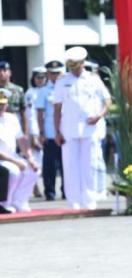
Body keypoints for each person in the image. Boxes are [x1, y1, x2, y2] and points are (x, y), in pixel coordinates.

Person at [53, 46, 111, 210]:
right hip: (69, 129)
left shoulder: (93, 79)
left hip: (89, 128)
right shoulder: (62, 81)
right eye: (71, 66)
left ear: (83, 63)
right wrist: (57, 131)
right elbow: (57, 108)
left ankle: (89, 198)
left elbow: (107, 100)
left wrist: (99, 115)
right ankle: (74, 200)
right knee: (70, 165)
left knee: (89, 164)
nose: (74, 69)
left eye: (76, 65)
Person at [0, 88, 39, 213]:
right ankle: (5, 203)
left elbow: (21, 140)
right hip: (3, 160)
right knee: (14, 171)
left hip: (11, 158)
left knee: (34, 170)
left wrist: (30, 158)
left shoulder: (12, 118)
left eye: (3, 103)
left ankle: (19, 201)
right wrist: (16, 162)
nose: (1, 106)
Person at [36, 60, 65, 201]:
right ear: (48, 74)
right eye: (52, 73)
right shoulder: (43, 91)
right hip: (50, 132)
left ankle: (67, 191)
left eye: (58, 73)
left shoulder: (67, 87)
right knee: (49, 166)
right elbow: (40, 114)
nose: (55, 76)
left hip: (66, 131)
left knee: (67, 164)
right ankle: (50, 192)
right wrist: (41, 133)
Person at [25, 66, 47, 197]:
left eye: (43, 77)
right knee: (35, 162)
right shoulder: (30, 93)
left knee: (45, 163)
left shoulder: (49, 91)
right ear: (33, 78)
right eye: (38, 77)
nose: (40, 80)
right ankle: (34, 187)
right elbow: (30, 115)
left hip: (48, 131)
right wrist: (33, 135)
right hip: (36, 132)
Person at [0, 60, 28, 135]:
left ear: (10, 73)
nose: (1, 73)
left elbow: (23, 112)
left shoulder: (18, 90)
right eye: (0, 71)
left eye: (4, 70)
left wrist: (25, 132)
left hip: (14, 125)